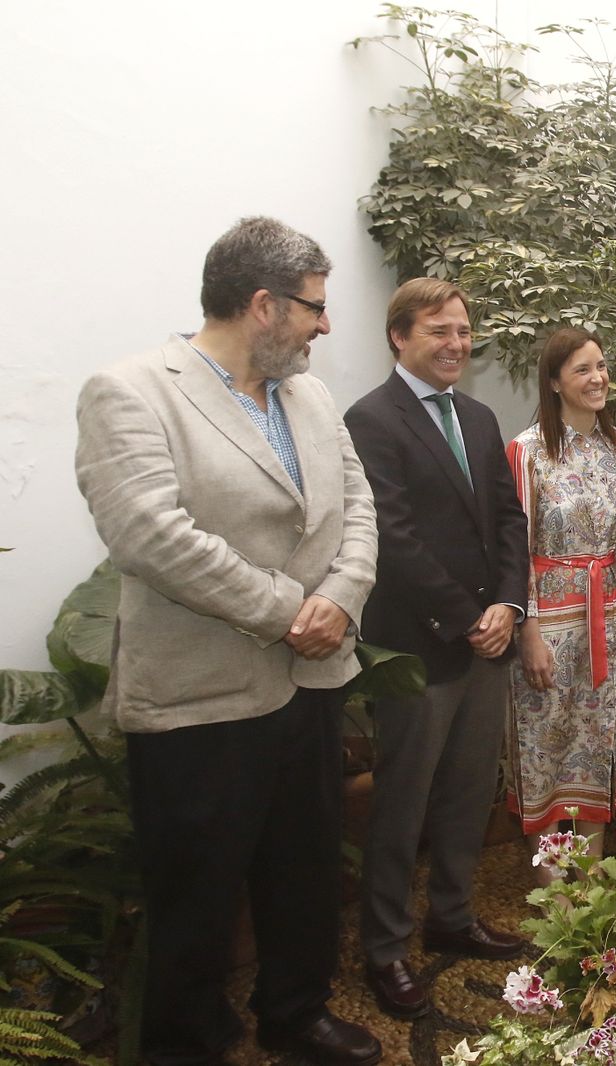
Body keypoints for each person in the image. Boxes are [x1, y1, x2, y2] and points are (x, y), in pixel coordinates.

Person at [74, 217, 381, 1065]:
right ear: (262, 305)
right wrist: (289, 609)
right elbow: (148, 533)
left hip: (311, 684)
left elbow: (357, 507)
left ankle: (296, 1014)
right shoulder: (132, 390)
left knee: (304, 877)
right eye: (315, 308)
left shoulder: (309, 396)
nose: (325, 325)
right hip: (197, 701)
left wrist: (342, 599)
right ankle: (187, 1042)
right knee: (196, 903)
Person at [344, 278, 529, 1020]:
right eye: (438, 331)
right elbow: (394, 540)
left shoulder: (480, 419)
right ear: (399, 337)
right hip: (419, 647)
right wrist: (466, 617)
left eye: (463, 331)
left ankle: (452, 916)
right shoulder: (370, 420)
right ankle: (385, 949)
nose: (456, 344)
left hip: (488, 641)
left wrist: (509, 607)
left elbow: (511, 523)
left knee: (467, 793)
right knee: (402, 804)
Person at [506, 327, 616, 871]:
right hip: (553, 624)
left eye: (602, 366)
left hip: (611, 619)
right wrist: (529, 629)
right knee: (549, 741)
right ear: (555, 382)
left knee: (604, 740)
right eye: (583, 370)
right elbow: (515, 546)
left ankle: (593, 877)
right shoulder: (528, 451)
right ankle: (552, 885)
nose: (598, 378)